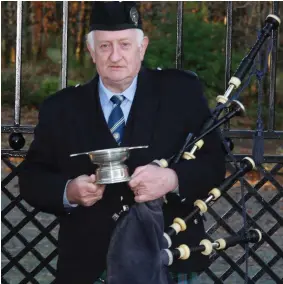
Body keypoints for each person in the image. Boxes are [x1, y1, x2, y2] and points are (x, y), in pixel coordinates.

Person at [18, 2, 226, 284]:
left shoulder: (180, 92)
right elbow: (32, 178)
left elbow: (215, 161)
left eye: (125, 44)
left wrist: (172, 178)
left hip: (166, 258)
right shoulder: (61, 108)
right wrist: (69, 191)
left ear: (142, 47)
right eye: (104, 46)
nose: (115, 56)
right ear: (91, 51)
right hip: (88, 265)